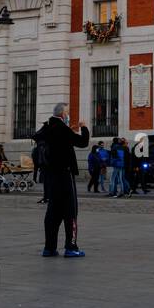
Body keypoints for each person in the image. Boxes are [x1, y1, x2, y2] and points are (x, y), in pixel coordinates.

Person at [32, 103, 89, 257]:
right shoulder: (62, 129)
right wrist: (84, 127)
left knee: (53, 212)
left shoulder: (47, 128)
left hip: (50, 176)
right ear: (63, 114)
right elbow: (83, 142)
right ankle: (71, 247)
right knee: (70, 210)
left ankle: (49, 248)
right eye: (68, 112)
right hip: (64, 174)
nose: (68, 115)